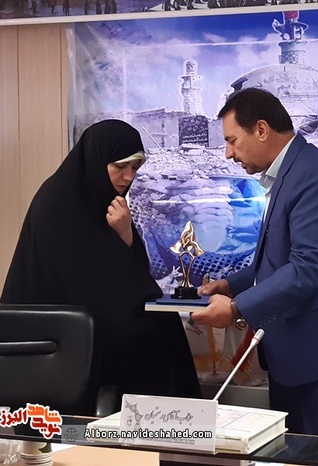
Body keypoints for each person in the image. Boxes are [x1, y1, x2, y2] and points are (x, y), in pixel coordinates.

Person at [191, 88, 318, 438]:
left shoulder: (314, 175)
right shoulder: (292, 172)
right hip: (299, 347)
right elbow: (281, 257)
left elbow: (308, 268)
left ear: (261, 129)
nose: (228, 154)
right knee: (292, 450)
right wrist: (231, 285)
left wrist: (237, 308)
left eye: (232, 141)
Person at [1, 119, 201, 413]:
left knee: (162, 328)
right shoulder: (60, 204)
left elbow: (126, 275)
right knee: (159, 336)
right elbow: (91, 285)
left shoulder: (104, 203)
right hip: (57, 345)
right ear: (97, 160)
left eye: (135, 167)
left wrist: (126, 234)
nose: (128, 177)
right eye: (120, 166)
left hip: (82, 336)